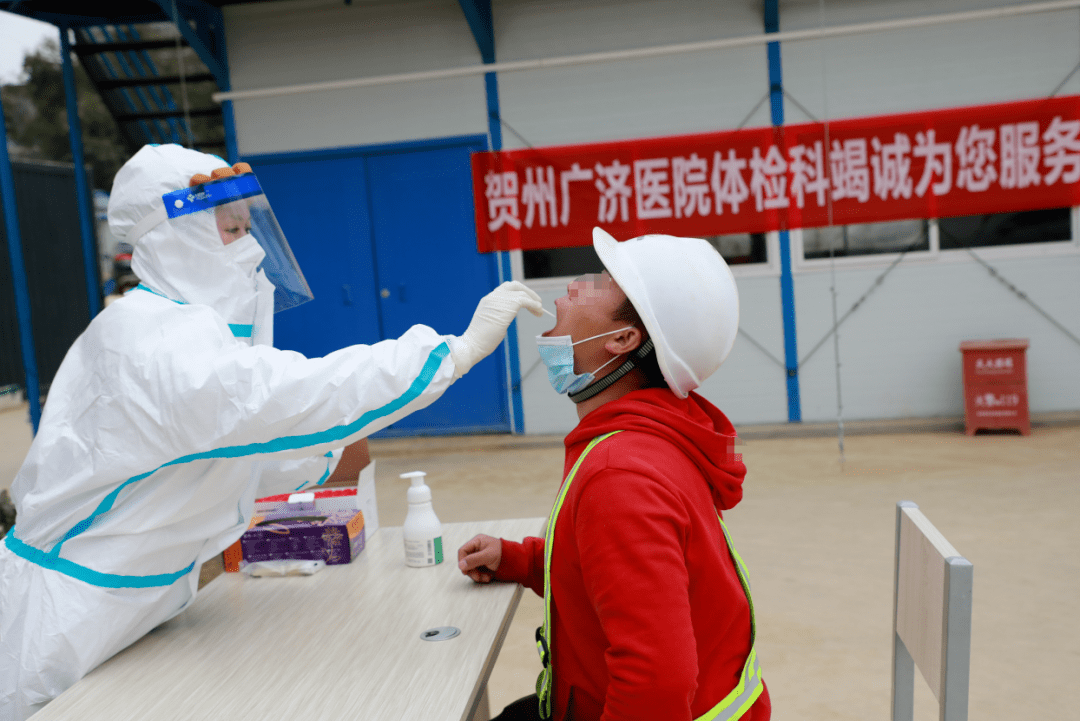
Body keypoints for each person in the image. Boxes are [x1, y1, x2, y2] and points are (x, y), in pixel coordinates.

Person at [0, 144, 543, 721]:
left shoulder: (184, 335)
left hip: (127, 618)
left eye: (248, 224)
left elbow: (219, 459)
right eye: (231, 229)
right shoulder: (148, 343)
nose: (254, 247)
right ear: (174, 235)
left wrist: (320, 458)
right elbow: (278, 397)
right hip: (59, 636)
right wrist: (449, 355)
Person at [458, 227, 771, 721]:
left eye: (600, 283)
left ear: (623, 340)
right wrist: (520, 560)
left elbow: (656, 686)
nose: (575, 285)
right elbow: (618, 572)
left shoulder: (619, 476)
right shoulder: (652, 436)